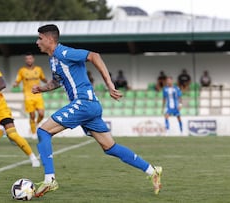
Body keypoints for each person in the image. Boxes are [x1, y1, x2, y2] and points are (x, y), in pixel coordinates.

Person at [32, 24, 162, 197]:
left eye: (40, 38)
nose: (37, 42)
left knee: (43, 131)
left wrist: (109, 84)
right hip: (90, 107)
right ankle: (152, 170)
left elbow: (94, 56)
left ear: (49, 39)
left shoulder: (64, 52)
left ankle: (50, 179)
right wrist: (41, 89)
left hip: (84, 103)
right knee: (110, 147)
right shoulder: (53, 60)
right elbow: (57, 82)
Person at [13, 52, 47, 138]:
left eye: (30, 58)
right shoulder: (22, 71)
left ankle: (36, 124)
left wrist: (48, 82)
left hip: (38, 95)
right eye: (27, 59)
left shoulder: (39, 69)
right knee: (32, 115)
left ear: (33, 59)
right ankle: (33, 132)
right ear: (25, 60)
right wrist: (15, 84)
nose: (29, 60)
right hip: (28, 96)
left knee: (42, 114)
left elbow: (43, 78)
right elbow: (17, 80)